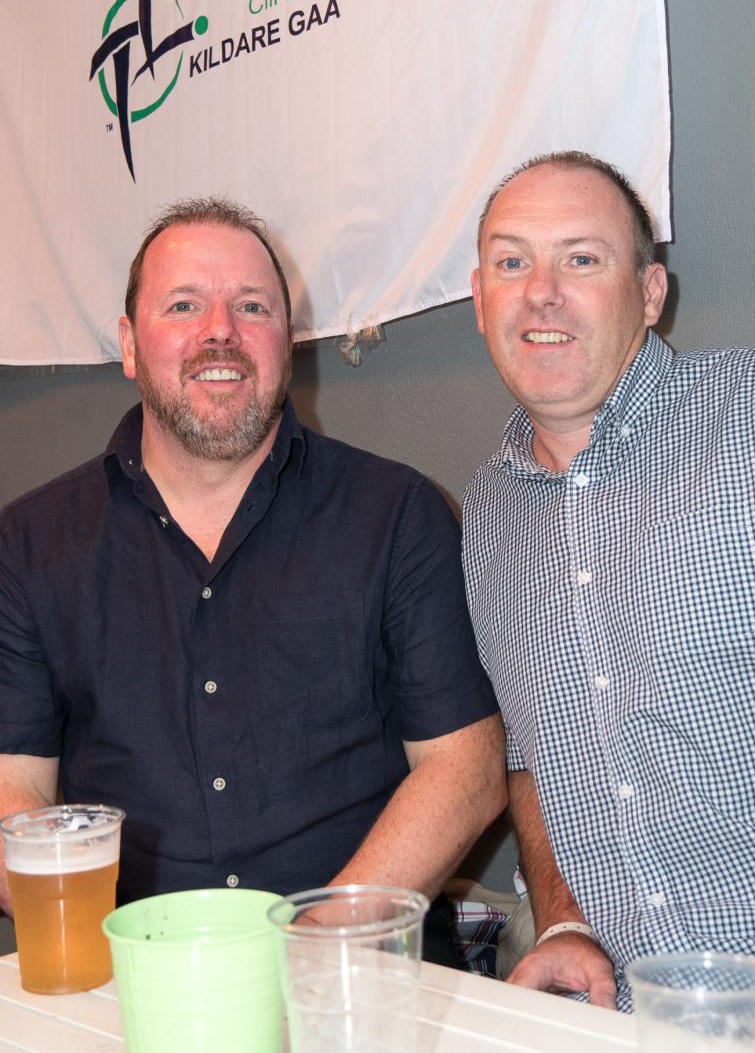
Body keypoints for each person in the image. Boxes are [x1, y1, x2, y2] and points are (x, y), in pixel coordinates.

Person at [0, 199, 506, 954]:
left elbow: (464, 768)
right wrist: (114, 953)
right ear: (130, 345)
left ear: (288, 341)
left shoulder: (397, 514)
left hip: (354, 979)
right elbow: (14, 784)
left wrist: (316, 944)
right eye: (183, 305)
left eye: (252, 306)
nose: (220, 331)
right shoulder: (28, 543)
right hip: (131, 981)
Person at [462, 151, 755, 1050]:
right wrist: (563, 916)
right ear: (478, 299)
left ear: (651, 291)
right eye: (512, 261)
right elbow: (533, 756)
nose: (541, 292)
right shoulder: (487, 510)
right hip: (627, 1024)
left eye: (581, 258)